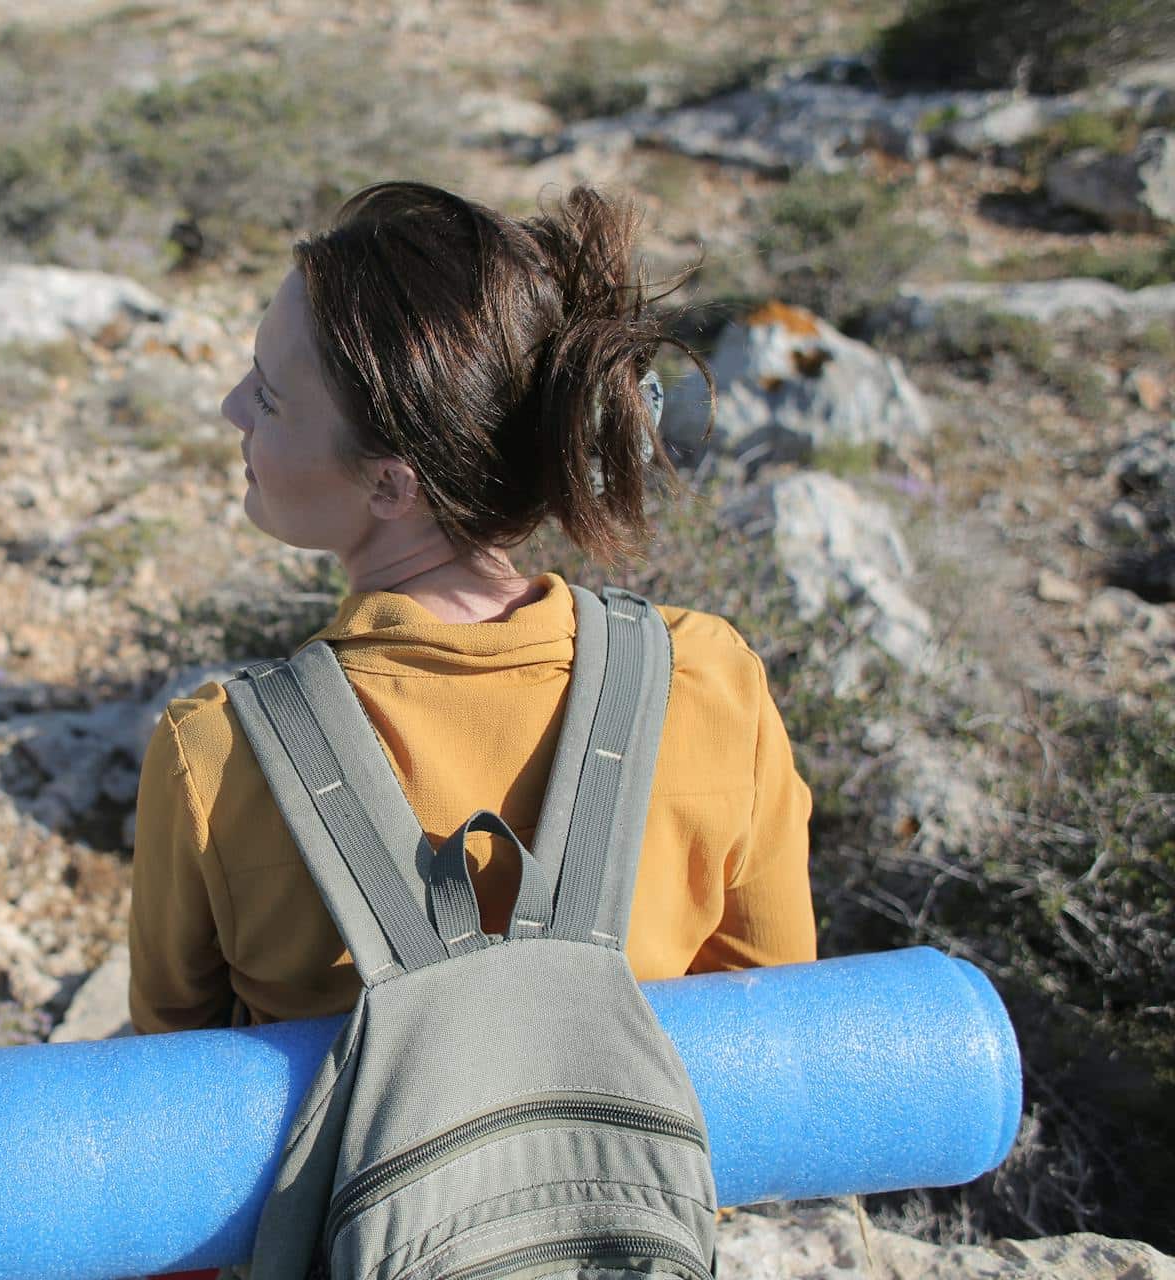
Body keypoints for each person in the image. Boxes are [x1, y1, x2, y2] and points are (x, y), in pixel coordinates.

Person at [128, 180, 815, 1039]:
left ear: (391, 483)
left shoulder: (217, 757)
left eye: (268, 395)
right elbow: (779, 1029)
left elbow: (168, 1079)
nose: (233, 406)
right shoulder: (710, 682)